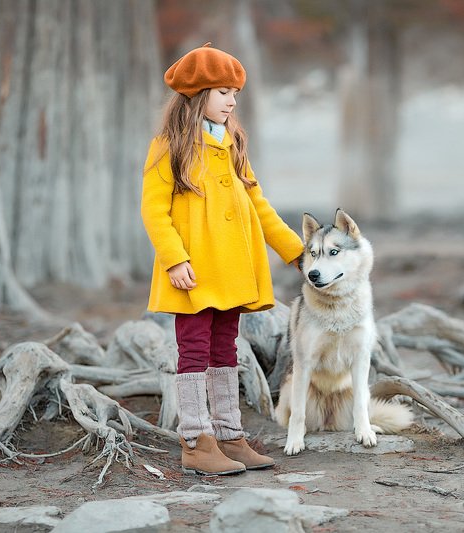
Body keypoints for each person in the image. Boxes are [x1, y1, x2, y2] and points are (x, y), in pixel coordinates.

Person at [140, 43, 304, 475]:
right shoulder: (169, 148)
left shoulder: (233, 145)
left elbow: (259, 204)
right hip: (192, 273)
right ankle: (196, 441)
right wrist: (175, 260)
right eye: (222, 91)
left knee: (225, 348)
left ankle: (230, 436)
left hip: (232, 272)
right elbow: (154, 211)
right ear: (197, 96)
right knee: (193, 349)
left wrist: (295, 252)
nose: (232, 100)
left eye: (235, 92)